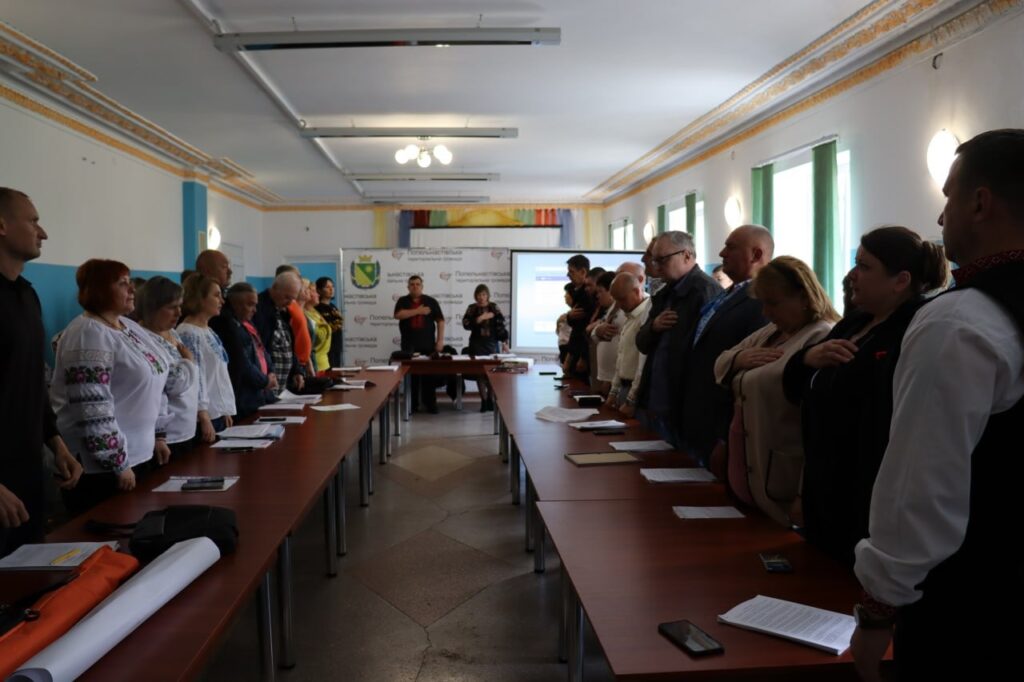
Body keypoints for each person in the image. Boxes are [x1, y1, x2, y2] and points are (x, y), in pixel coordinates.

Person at [851, 130, 1024, 680]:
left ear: (980, 202)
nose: (941, 216)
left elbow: (921, 484)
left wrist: (878, 609)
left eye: (949, 196)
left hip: (975, 607)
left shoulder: (958, 321)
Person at [782, 226, 948, 564]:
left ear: (900, 281)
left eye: (864, 266)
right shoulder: (854, 323)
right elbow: (793, 387)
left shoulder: (913, 330)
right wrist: (807, 358)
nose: (852, 275)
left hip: (864, 496)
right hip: (823, 489)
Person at [712, 257, 838, 526]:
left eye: (773, 303)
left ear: (803, 297)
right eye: (763, 303)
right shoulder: (771, 332)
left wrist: (803, 493)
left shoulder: (820, 336)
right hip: (746, 469)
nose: (766, 312)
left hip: (780, 475)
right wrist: (739, 358)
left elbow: (819, 421)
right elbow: (720, 362)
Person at [51, 259, 173, 514]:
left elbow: (158, 377)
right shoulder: (88, 334)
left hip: (140, 454)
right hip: (104, 469)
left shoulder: (128, 326)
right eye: (122, 284)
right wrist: (116, 461)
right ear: (99, 290)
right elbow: (91, 407)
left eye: (130, 282)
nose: (132, 289)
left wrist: (158, 434)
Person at [0, 188, 81, 555]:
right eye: (33, 221)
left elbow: (33, 380)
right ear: (2, 226)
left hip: (27, 468)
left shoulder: (27, 295)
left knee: (29, 571)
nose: (43, 232)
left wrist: (55, 442)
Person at [680, 225, 772, 465]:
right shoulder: (728, 293)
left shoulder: (762, 300)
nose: (722, 253)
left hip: (721, 421)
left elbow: (747, 372)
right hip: (698, 413)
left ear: (756, 255)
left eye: (731, 247)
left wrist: (724, 435)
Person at [634, 231, 721, 446]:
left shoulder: (706, 291)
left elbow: (706, 355)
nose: (657, 267)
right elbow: (641, 343)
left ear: (687, 255)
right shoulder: (665, 294)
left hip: (684, 404)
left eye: (662, 260)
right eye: (655, 260)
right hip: (655, 400)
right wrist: (654, 327)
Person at [136, 276, 200, 460]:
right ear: (152, 308)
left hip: (187, 428)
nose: (179, 312)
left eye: (180, 306)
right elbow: (173, 384)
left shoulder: (172, 332)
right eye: (172, 307)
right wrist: (188, 362)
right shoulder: (143, 338)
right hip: (167, 436)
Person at [178, 275, 236, 440]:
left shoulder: (208, 330)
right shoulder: (188, 332)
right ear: (199, 298)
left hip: (217, 413)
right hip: (205, 418)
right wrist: (203, 414)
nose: (222, 301)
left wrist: (224, 409)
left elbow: (218, 374)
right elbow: (196, 376)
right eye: (216, 295)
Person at [211, 282, 278, 417]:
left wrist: (271, 371)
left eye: (255, 305)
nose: (255, 310)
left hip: (260, 394)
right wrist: (264, 381)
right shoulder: (228, 325)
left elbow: (262, 349)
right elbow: (242, 362)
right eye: (250, 305)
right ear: (235, 304)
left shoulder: (246, 323)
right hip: (245, 400)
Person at [393, 275, 445, 413]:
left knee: (429, 375)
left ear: (422, 286)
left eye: (417, 284)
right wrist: (418, 311)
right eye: (412, 284)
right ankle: (412, 405)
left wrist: (440, 340)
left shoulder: (431, 301)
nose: (415, 286)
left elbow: (440, 321)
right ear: (408, 287)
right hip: (409, 346)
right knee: (411, 377)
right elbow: (398, 315)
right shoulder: (403, 301)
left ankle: (430, 404)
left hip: (428, 344)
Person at [605, 272, 652, 417]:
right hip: (624, 388)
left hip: (637, 391)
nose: (619, 305)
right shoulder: (630, 314)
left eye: (622, 299)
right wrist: (614, 391)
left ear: (637, 291)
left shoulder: (646, 314)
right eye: (616, 301)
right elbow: (621, 357)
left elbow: (642, 362)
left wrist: (632, 399)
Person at [253, 271, 305, 395]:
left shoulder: (283, 310)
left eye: (293, 299)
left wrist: (297, 370)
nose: (289, 302)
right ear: (275, 287)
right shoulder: (258, 309)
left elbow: (288, 345)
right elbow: (259, 348)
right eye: (287, 297)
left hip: (283, 387)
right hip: (266, 386)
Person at [462, 284, 508, 411]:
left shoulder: (494, 307)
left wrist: (505, 341)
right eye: (479, 295)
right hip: (476, 344)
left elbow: (501, 325)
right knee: (480, 373)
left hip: (492, 344)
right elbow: (466, 324)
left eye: (484, 294)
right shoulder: (472, 308)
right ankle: (483, 401)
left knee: (493, 374)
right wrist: (480, 318)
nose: (481, 297)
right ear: (475, 296)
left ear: (487, 295)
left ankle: (491, 400)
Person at [589, 272, 623, 395]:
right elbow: (594, 335)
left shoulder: (625, 309)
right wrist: (597, 330)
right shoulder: (611, 309)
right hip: (605, 377)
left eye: (600, 291)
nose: (597, 296)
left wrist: (610, 380)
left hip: (615, 378)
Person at [278, 264, 314, 378]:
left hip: (301, 364)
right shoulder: (285, 305)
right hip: (292, 365)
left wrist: (308, 361)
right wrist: (296, 368)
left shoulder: (295, 305)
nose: (300, 280)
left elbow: (302, 335)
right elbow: (289, 339)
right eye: (297, 276)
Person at [563, 254, 594, 379]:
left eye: (571, 271)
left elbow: (581, 328)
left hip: (583, 352)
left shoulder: (587, 295)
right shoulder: (576, 292)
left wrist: (583, 357)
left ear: (583, 272)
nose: (568, 275)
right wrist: (569, 316)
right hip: (576, 350)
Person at [303, 278, 331, 374]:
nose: (318, 294)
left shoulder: (314, 311)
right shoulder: (304, 314)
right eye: (314, 291)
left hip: (324, 362)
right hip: (315, 363)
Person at [315, 277, 343, 368]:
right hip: (325, 349)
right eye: (327, 287)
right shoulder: (317, 308)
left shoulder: (333, 307)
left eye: (332, 286)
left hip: (336, 347)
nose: (331, 289)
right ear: (319, 290)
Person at [556, 284, 572, 363]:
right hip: (563, 350)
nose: (565, 296)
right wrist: (558, 323)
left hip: (570, 351)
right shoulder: (565, 315)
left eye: (567, 293)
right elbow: (559, 332)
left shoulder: (576, 315)